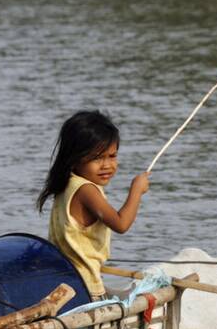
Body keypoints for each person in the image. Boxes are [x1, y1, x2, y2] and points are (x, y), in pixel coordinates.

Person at [36, 111, 150, 299]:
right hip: (84, 286)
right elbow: (121, 224)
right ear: (75, 158)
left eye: (112, 156)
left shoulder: (67, 183)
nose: (107, 165)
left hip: (63, 280)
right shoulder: (86, 190)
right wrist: (136, 191)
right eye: (97, 158)